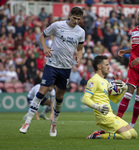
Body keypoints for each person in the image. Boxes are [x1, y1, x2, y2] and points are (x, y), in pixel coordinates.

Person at [19, 7, 85, 137]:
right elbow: (42, 35)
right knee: (41, 92)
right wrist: (44, 48)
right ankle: (27, 122)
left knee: (59, 97)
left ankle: (53, 124)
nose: (76, 21)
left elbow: (80, 48)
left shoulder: (81, 32)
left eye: (78, 19)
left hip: (66, 68)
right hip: (52, 65)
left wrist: (79, 57)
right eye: (74, 18)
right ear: (69, 15)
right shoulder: (57, 25)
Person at [82, 55, 138, 140]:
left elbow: (114, 100)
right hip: (103, 117)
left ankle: (103, 132)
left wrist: (123, 91)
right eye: (107, 65)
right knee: (127, 136)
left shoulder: (105, 81)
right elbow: (85, 99)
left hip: (111, 115)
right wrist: (97, 107)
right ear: (99, 66)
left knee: (134, 135)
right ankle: (97, 136)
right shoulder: (94, 80)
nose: (109, 67)